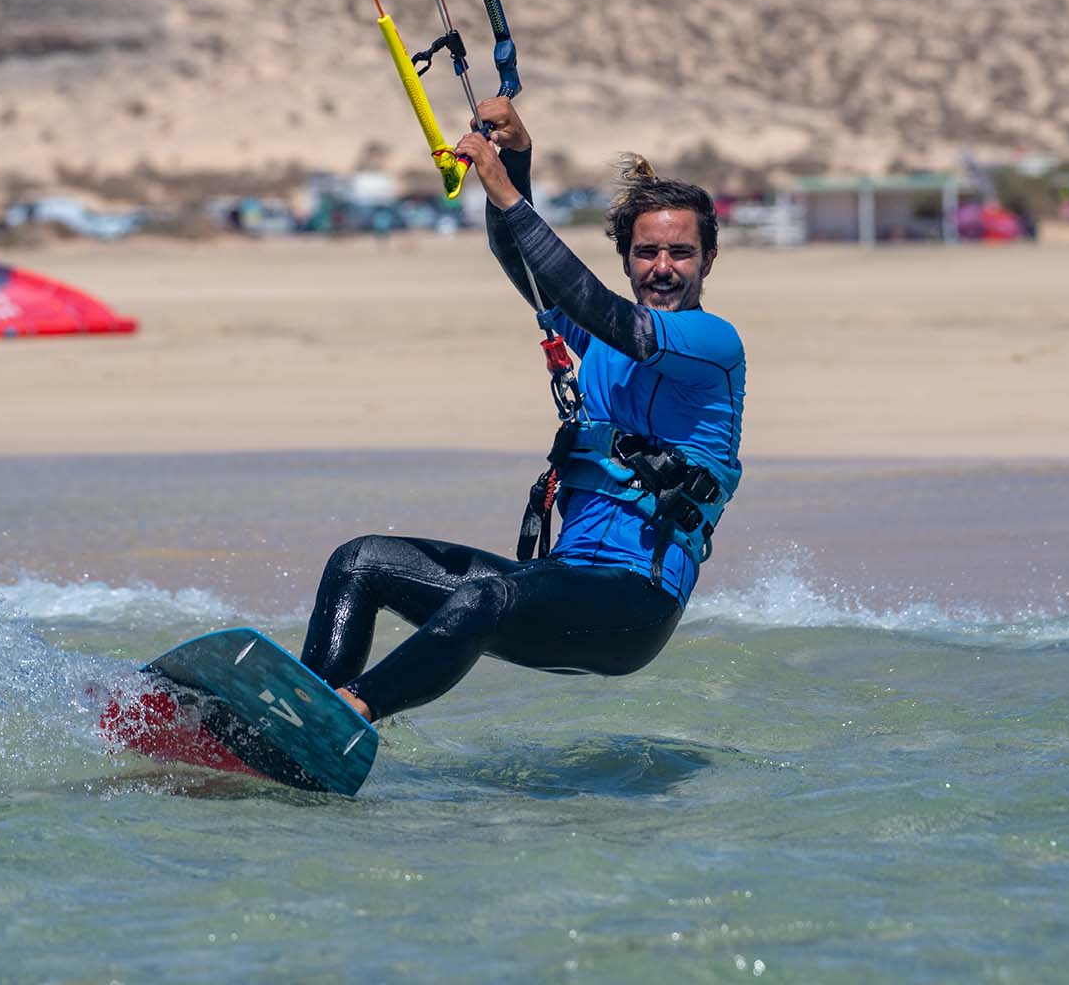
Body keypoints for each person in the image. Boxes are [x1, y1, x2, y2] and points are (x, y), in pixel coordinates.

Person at [297, 97, 745, 723]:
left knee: (486, 598)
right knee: (361, 561)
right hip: (564, 581)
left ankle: (345, 714)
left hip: (635, 605)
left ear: (709, 260)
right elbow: (528, 268)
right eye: (647, 254)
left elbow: (603, 312)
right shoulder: (601, 342)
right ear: (627, 259)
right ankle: (298, 715)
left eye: (681, 253)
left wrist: (508, 191)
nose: (663, 269)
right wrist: (519, 160)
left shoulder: (713, 345)